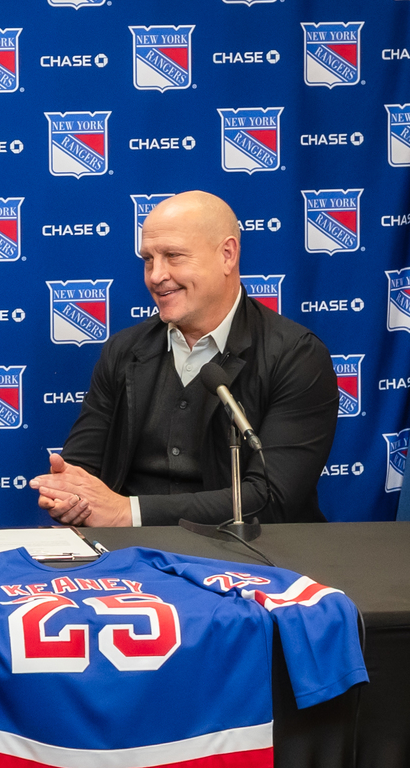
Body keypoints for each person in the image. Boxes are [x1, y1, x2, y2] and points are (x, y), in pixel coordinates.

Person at [30, 190, 338, 528]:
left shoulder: (296, 355)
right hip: (129, 559)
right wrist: (70, 493)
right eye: (148, 259)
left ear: (226, 255)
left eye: (173, 256)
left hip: (249, 560)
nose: (155, 275)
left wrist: (126, 512)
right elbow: (82, 467)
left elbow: (273, 498)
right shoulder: (123, 350)